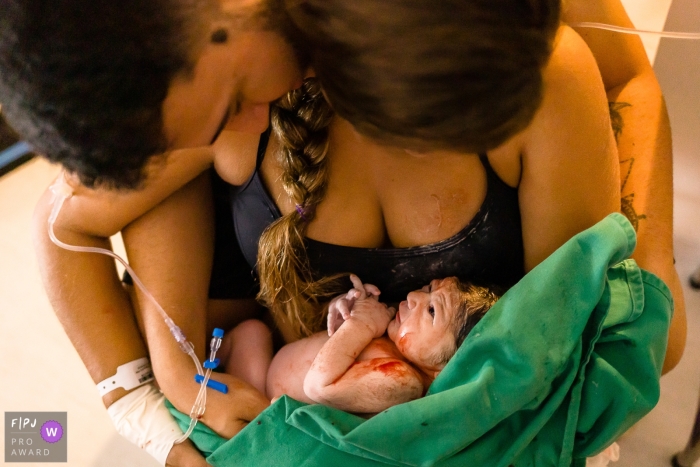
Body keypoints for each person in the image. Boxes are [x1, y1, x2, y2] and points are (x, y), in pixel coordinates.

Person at [1, 0, 679, 464]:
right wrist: (164, 395)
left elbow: (571, 351)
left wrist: (646, 275)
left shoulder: (536, 77)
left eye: (236, 104)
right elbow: (73, 222)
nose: (230, 141)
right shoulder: (234, 115)